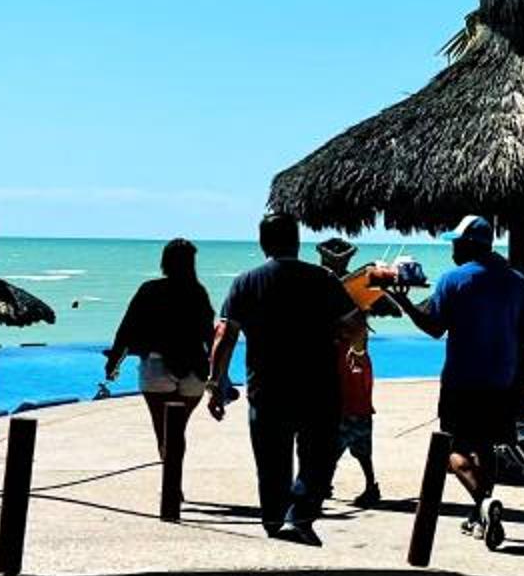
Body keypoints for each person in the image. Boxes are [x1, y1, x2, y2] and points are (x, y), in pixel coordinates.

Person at [392, 215, 524, 551]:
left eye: (456, 242)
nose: (452, 248)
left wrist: (405, 302)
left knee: (452, 452)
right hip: (502, 381)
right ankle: (480, 515)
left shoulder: (452, 280)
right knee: (486, 448)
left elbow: (434, 328)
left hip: (461, 381)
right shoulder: (516, 281)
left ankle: (483, 502)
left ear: (469, 245)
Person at [207, 213, 353, 543]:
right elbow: (353, 324)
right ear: (297, 242)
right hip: (318, 386)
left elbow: (224, 336)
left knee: (271, 462)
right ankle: (298, 517)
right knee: (318, 458)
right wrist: (343, 342)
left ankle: (276, 523)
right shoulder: (324, 278)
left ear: (263, 243)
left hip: (267, 387)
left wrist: (215, 383)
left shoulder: (246, 282)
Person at [103, 239, 216, 521]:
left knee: (163, 430)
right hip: (193, 370)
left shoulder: (150, 289)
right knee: (178, 430)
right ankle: (174, 484)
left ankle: (171, 485)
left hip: (157, 365)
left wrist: (114, 361)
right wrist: (217, 373)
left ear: (165, 262)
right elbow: (209, 334)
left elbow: (126, 329)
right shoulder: (198, 291)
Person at [317, 236, 394, 509]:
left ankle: (325, 482)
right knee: (354, 428)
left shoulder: (322, 288)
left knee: (333, 429)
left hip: (343, 363)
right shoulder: (361, 288)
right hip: (356, 363)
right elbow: (390, 309)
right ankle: (366, 484)